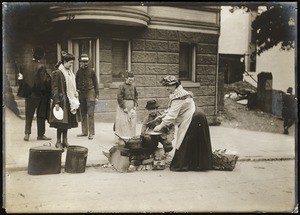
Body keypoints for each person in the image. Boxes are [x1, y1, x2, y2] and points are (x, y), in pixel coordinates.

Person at [153, 75, 213, 171]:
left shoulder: (179, 96)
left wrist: (160, 126)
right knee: (189, 141)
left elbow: (172, 115)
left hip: (194, 118)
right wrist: (163, 115)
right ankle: (195, 165)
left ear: (176, 85)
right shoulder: (177, 93)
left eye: (169, 86)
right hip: (195, 115)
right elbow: (172, 108)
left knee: (184, 140)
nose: (167, 88)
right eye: (166, 86)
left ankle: (185, 165)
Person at [19, 46, 52, 141]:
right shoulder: (41, 66)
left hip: (29, 95)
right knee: (40, 115)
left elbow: (20, 79)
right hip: (40, 95)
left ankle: (27, 134)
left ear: (33, 54)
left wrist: (24, 90)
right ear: (41, 56)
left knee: (28, 114)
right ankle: (40, 135)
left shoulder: (24, 65)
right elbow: (44, 81)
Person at [49, 51, 80, 149]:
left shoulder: (70, 72)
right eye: (70, 63)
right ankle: (58, 141)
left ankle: (65, 141)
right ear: (65, 62)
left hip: (69, 100)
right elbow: (54, 88)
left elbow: (72, 86)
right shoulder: (58, 72)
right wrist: (57, 102)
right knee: (60, 122)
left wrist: (76, 92)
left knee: (67, 122)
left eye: (72, 63)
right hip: (61, 100)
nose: (71, 65)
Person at [76, 54, 99, 140]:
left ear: (88, 62)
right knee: (83, 113)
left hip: (90, 93)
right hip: (81, 94)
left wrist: (97, 96)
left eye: (86, 62)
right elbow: (76, 82)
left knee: (90, 114)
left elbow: (96, 83)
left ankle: (91, 133)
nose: (84, 63)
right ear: (80, 62)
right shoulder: (78, 72)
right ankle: (84, 131)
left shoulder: (91, 71)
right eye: (83, 62)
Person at [114, 71, 138, 144]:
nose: (131, 81)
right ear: (126, 78)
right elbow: (119, 97)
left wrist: (135, 106)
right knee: (123, 122)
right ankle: (122, 139)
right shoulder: (121, 86)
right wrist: (123, 107)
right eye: (129, 79)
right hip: (123, 105)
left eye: (132, 79)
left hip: (132, 105)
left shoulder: (133, 86)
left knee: (132, 122)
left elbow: (136, 96)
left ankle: (131, 138)